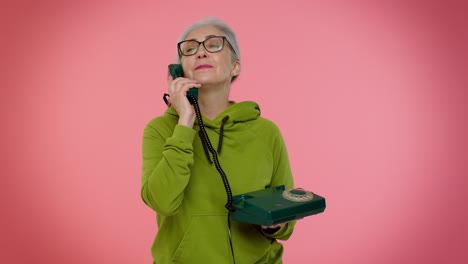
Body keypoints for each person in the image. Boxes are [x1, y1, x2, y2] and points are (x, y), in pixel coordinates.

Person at [141, 17, 296, 264]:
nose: (200, 53)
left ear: (235, 67)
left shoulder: (266, 132)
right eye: (190, 49)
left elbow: (286, 218)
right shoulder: (160, 130)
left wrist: (275, 224)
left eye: (213, 45)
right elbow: (162, 202)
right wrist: (185, 123)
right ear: (178, 70)